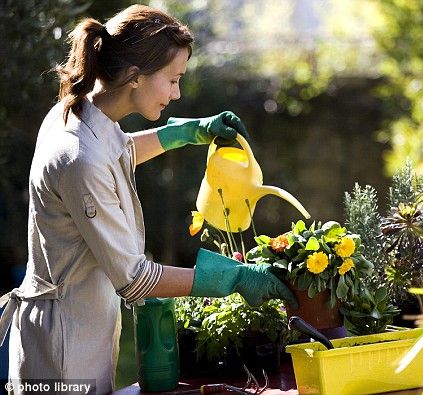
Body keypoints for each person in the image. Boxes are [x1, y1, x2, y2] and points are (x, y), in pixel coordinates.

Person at [0, 4, 297, 394]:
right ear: (135, 76)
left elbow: (116, 153)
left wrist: (188, 132)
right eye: (173, 80)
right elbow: (135, 279)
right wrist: (233, 277)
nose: (176, 94)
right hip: (64, 349)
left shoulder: (75, 115)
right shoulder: (77, 157)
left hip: (80, 325)